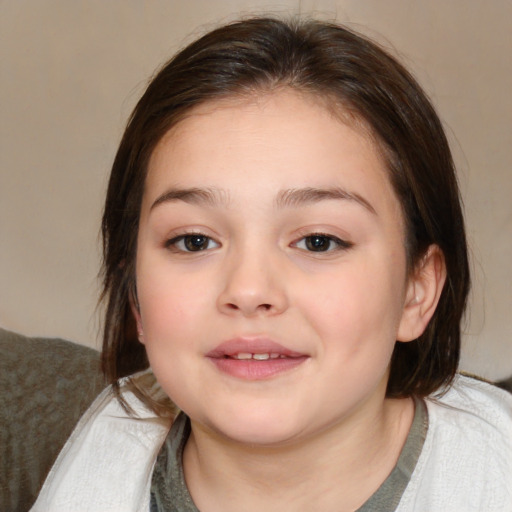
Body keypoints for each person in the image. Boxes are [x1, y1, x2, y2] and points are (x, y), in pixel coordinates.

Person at [31, 16, 511, 512]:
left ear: (417, 290)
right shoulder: (56, 436)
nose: (249, 288)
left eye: (319, 242)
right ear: (134, 292)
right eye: (194, 241)